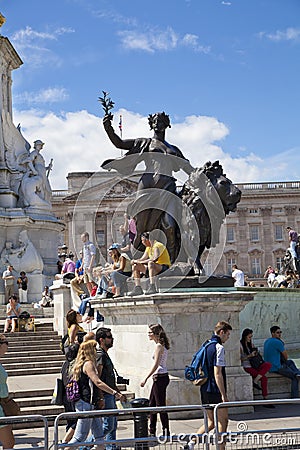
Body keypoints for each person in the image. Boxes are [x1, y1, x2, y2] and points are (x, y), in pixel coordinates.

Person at [102, 111, 194, 263]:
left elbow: (189, 169)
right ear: (151, 124)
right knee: (141, 227)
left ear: (167, 124)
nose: (157, 123)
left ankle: (172, 262)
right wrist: (108, 127)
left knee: (170, 225)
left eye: (161, 120)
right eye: (155, 121)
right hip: (147, 188)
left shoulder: (174, 150)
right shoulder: (145, 143)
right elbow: (120, 143)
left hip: (167, 189)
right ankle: (138, 257)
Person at [68, 340, 123, 449]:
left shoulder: (85, 363)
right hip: (85, 404)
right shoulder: (88, 364)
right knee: (80, 437)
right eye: (94, 348)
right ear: (90, 350)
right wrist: (114, 392)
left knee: (99, 439)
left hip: (91, 404)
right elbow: (97, 382)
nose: (97, 351)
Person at [194, 321, 232, 450]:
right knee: (223, 421)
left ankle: (190, 444)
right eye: (227, 334)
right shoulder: (219, 348)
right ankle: (221, 448)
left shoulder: (206, 345)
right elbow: (218, 374)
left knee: (210, 422)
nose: (228, 337)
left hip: (205, 388)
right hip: (215, 390)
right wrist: (223, 395)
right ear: (222, 332)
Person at [96, 327, 126, 450]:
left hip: (111, 394)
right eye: (109, 337)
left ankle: (111, 447)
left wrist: (118, 392)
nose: (112, 339)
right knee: (108, 426)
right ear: (101, 340)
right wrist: (100, 396)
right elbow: (97, 378)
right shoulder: (100, 355)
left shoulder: (105, 354)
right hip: (105, 395)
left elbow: (108, 377)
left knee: (113, 425)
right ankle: (84, 446)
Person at [140, 324, 170, 437]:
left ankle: (165, 431)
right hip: (160, 377)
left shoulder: (159, 346)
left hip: (160, 377)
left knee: (160, 405)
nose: (148, 334)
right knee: (152, 403)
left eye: (150, 332)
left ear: (156, 334)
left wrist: (145, 378)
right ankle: (152, 430)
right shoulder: (161, 345)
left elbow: (156, 364)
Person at [129, 232, 171, 296]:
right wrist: (135, 261)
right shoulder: (148, 248)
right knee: (135, 266)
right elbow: (142, 258)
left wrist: (140, 262)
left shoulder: (157, 245)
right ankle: (138, 288)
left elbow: (154, 259)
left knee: (150, 263)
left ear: (147, 240)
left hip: (163, 267)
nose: (142, 243)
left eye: (143, 241)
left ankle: (152, 286)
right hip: (152, 268)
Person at [264, 326, 300, 398]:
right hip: (277, 367)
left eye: (280, 332)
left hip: (269, 367)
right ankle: (295, 397)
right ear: (272, 333)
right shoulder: (278, 342)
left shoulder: (267, 341)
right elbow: (285, 357)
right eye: (278, 333)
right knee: (294, 378)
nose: (280, 334)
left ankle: (297, 372)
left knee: (290, 362)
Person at [240, 328, 273, 406]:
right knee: (264, 378)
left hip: (254, 365)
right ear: (245, 336)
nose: (250, 338)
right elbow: (239, 359)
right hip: (247, 366)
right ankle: (265, 399)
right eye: (249, 337)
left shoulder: (251, 344)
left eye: (251, 337)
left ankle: (255, 380)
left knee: (268, 364)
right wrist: (249, 356)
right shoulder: (240, 345)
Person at [0, 334, 15, 448]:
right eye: (6, 343)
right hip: (1, 405)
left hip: (3, 404)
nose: (7, 346)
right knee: (9, 443)